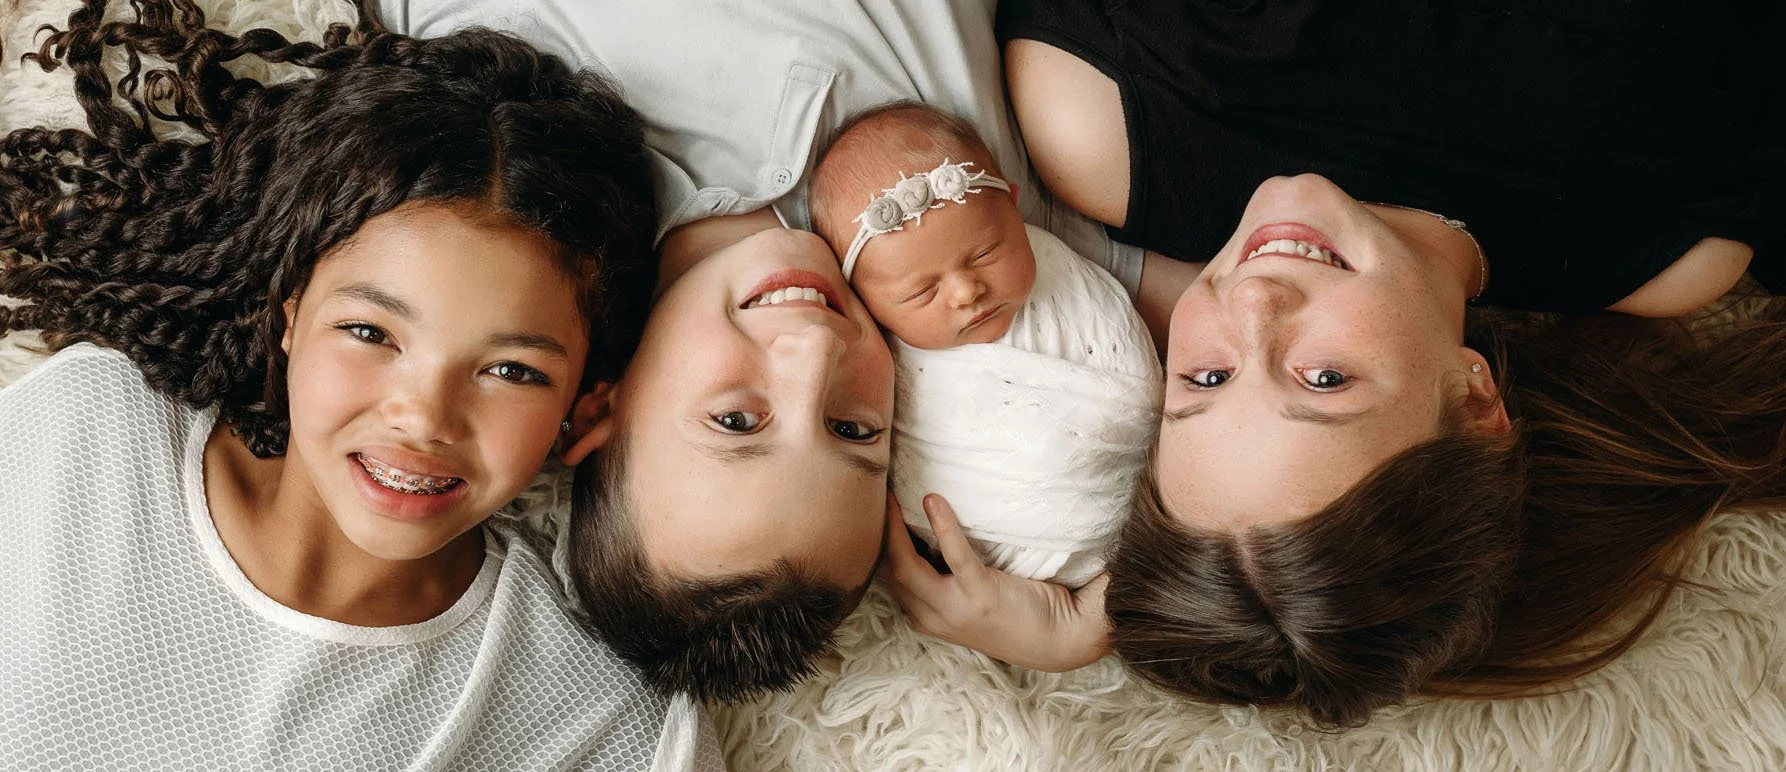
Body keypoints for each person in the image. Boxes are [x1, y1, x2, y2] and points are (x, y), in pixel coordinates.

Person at [943, 0, 1786, 727]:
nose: (1254, 305)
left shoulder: (1110, 118)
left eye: (1205, 378)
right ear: (1476, 399)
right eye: (1322, 380)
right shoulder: (1662, 244)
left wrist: (1112, 612)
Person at [0, 1, 718, 767]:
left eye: (511, 370)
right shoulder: (84, 433)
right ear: (290, 315)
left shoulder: (608, 728)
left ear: (584, 404)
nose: (423, 417)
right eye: (371, 333)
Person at [375, 0, 1141, 701]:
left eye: (736, 422)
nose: (814, 352)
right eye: (853, 429)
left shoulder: (511, 126)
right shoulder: (991, 263)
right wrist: (1089, 624)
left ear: (595, 407)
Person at [807, 101, 1160, 590]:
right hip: (1004, 557)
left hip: (1136, 520)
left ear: (1014, 205)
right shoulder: (884, 361)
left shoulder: (1066, 277)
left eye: (986, 253)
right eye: (921, 292)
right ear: (866, 301)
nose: (965, 292)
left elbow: (1139, 384)